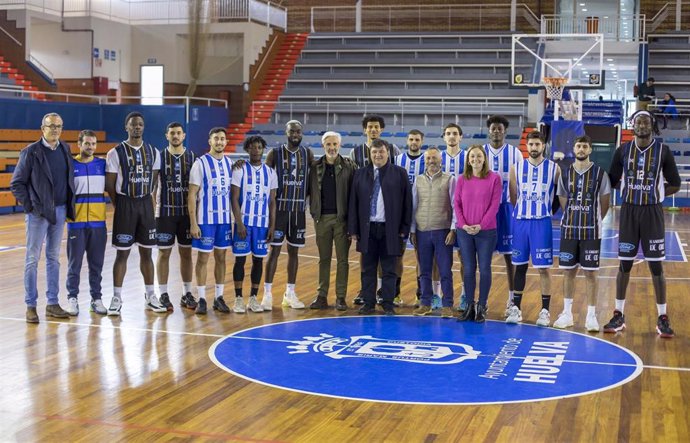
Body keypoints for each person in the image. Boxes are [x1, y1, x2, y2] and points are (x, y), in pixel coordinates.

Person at [605, 111, 681, 338]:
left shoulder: (663, 151)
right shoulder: (622, 151)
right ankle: (618, 314)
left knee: (656, 266)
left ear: (652, 126)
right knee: (624, 265)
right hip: (629, 211)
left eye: (646, 122)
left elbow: (675, 183)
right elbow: (612, 179)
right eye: (638, 122)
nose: (642, 125)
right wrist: (630, 191)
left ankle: (662, 317)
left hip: (652, 212)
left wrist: (656, 194)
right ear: (633, 125)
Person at [11, 112, 75, 323]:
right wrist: (30, 207)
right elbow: (17, 183)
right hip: (38, 214)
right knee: (32, 259)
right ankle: (31, 305)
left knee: (54, 259)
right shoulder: (30, 152)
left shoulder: (65, 148)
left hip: (59, 210)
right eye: (51, 126)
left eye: (58, 126)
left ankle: (52, 303)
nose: (55, 129)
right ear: (42, 128)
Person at [105, 112, 163, 316]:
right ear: (126, 127)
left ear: (143, 127)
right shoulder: (115, 152)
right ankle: (116, 297)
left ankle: (150, 295)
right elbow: (110, 185)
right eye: (133, 125)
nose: (137, 127)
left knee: (147, 253)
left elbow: (154, 182)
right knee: (122, 254)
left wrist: (149, 202)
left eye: (140, 124)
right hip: (125, 205)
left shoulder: (154, 152)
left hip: (146, 204)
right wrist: (120, 205)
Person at [348, 139, 412, 315]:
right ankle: (368, 303)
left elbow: (408, 203)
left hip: (390, 229)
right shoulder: (360, 174)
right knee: (368, 268)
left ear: (388, 153)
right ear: (370, 154)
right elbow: (353, 202)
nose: (378, 155)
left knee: (389, 269)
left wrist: (404, 228)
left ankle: (388, 303)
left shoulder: (400, 173)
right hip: (367, 229)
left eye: (381, 152)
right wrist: (353, 229)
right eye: (374, 152)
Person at [553, 135, 611, 331]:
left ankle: (591, 316)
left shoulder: (600, 174)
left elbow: (605, 201)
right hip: (569, 230)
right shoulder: (565, 173)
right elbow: (561, 196)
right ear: (574, 149)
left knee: (590, 273)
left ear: (590, 150)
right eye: (578, 146)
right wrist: (572, 214)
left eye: (585, 146)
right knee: (568, 272)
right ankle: (567, 313)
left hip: (591, 231)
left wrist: (592, 218)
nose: (581, 149)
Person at [508, 130, 560, 326]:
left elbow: (558, 197)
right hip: (521, 222)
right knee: (519, 266)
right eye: (531, 144)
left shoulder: (554, 169)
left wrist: (547, 211)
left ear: (543, 146)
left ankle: (545, 311)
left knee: (543, 269)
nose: (534, 148)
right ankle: (516, 308)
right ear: (526, 146)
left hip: (541, 222)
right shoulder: (516, 168)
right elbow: (514, 196)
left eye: (538, 144)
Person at [261, 120, 315, 310]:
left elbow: (314, 179)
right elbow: (264, 178)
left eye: (298, 131)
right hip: (279, 210)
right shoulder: (274, 153)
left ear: (302, 133)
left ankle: (289, 293)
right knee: (274, 251)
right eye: (292, 131)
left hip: (298, 210)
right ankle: (267, 294)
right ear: (286, 132)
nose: (295, 134)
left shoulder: (307, 153)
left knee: (294, 252)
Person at [350, 114, 400, 306]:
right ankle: (367, 296)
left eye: (376, 127)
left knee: (389, 265)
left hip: (388, 220)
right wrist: (353, 226)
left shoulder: (394, 153)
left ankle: (388, 298)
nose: (372, 129)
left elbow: (402, 196)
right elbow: (353, 195)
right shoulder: (355, 154)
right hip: (367, 221)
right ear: (365, 130)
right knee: (368, 264)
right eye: (369, 127)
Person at [308, 131, 356, 311]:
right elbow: (308, 191)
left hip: (342, 220)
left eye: (335, 144)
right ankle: (321, 295)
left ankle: (341, 297)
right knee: (324, 259)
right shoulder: (314, 167)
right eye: (329, 144)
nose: (332, 147)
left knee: (343, 260)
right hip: (321, 220)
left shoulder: (349, 166)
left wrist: (352, 222)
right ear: (323, 146)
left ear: (339, 145)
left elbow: (354, 195)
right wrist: (313, 211)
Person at [454, 145, 502, 322]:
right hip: (464, 231)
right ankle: (469, 306)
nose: (475, 159)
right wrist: (463, 224)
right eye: (472, 156)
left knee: (484, 268)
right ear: (468, 159)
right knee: (468, 270)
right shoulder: (461, 179)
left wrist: (480, 225)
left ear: (484, 159)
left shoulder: (494, 179)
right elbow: (457, 204)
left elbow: (494, 206)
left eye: (479, 156)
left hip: (486, 232)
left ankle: (481, 306)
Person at [231, 136, 277, 313]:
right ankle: (238, 299)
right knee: (240, 260)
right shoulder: (240, 169)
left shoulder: (271, 173)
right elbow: (234, 198)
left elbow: (272, 201)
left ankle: (253, 298)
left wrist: (272, 226)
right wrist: (239, 222)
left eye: (259, 147)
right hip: (244, 224)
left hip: (261, 224)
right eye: (253, 147)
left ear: (263, 149)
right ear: (247, 149)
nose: (256, 150)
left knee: (258, 261)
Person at [155, 122, 197, 311]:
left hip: (186, 215)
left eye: (178, 133)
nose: (175, 136)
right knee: (164, 253)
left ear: (184, 135)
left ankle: (186, 293)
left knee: (186, 253)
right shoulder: (159, 157)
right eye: (172, 133)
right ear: (166, 136)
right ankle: (163, 293)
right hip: (165, 213)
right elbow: (152, 187)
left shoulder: (193, 157)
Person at [65, 130, 108, 316]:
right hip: (76, 223)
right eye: (87, 144)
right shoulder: (70, 165)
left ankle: (96, 299)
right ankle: (72, 298)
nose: (90, 147)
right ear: (79, 144)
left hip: (98, 223)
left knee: (96, 264)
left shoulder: (102, 165)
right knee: (74, 264)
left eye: (93, 144)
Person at [483, 115, 522, 316]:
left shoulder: (515, 153)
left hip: (507, 209)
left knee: (510, 256)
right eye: (493, 128)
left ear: (505, 131)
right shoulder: (480, 152)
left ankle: (512, 298)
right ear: (488, 131)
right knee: (483, 257)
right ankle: (481, 300)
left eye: (499, 128)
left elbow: (521, 183)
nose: (496, 131)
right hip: (485, 210)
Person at [410, 146, 455, 318]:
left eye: (434, 158)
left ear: (441, 160)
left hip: (442, 231)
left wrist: (453, 229)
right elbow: (414, 206)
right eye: (428, 158)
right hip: (422, 231)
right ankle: (425, 303)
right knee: (424, 271)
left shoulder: (450, 179)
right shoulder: (418, 180)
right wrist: (413, 230)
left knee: (445, 270)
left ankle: (448, 305)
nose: (431, 161)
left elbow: (454, 207)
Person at [394, 129, 425, 307]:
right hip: (401, 215)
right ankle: (396, 293)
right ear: (407, 141)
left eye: (417, 139)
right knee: (398, 255)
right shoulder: (398, 160)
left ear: (422, 142)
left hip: (420, 213)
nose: (414, 142)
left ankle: (420, 294)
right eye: (411, 139)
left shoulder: (426, 159)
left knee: (420, 256)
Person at [441, 123, 467, 310]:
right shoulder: (437, 157)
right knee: (439, 257)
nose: (451, 137)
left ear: (461, 137)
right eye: (448, 134)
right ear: (443, 137)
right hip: (441, 212)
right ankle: (437, 295)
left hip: (464, 212)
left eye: (455, 134)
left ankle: (465, 295)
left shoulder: (468, 157)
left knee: (464, 257)